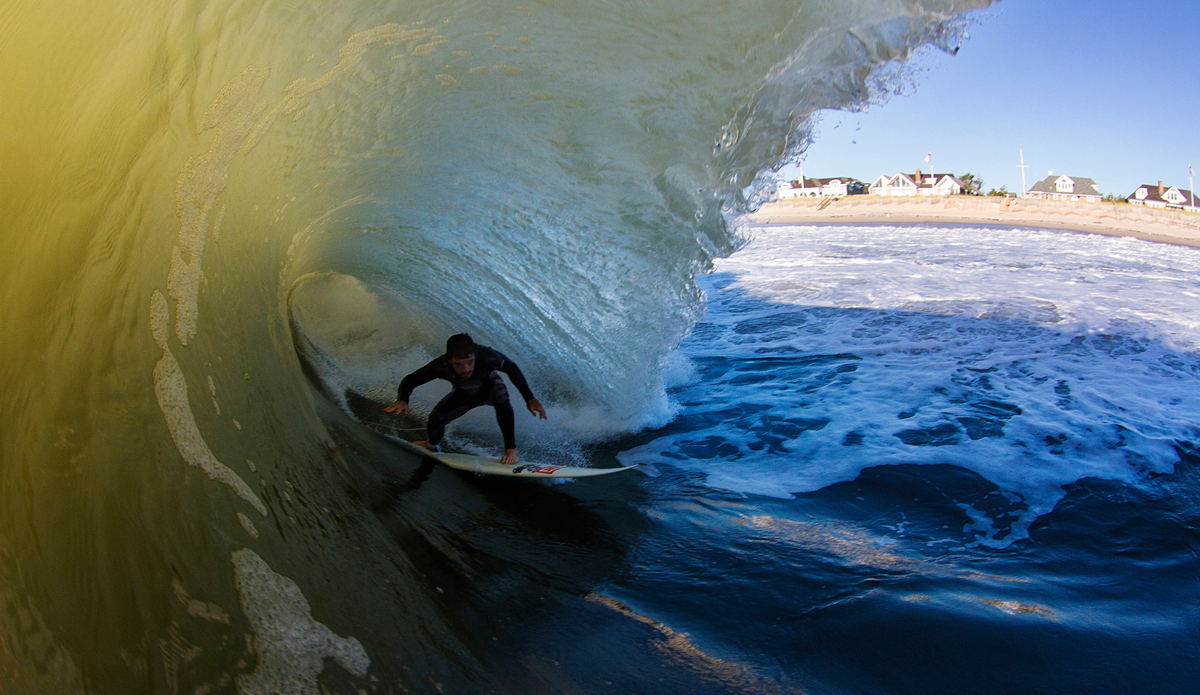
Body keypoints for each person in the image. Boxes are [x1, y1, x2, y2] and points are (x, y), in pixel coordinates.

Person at [384, 334, 546, 465]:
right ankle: (432, 446)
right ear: (449, 360)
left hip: (491, 388)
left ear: (475, 354)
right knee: (435, 419)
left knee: (501, 399)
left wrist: (529, 398)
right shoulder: (441, 365)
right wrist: (403, 399)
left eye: (470, 362)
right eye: (459, 364)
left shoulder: (488, 356)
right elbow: (412, 379)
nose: (466, 369)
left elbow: (512, 368)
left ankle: (511, 450)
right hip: (464, 394)